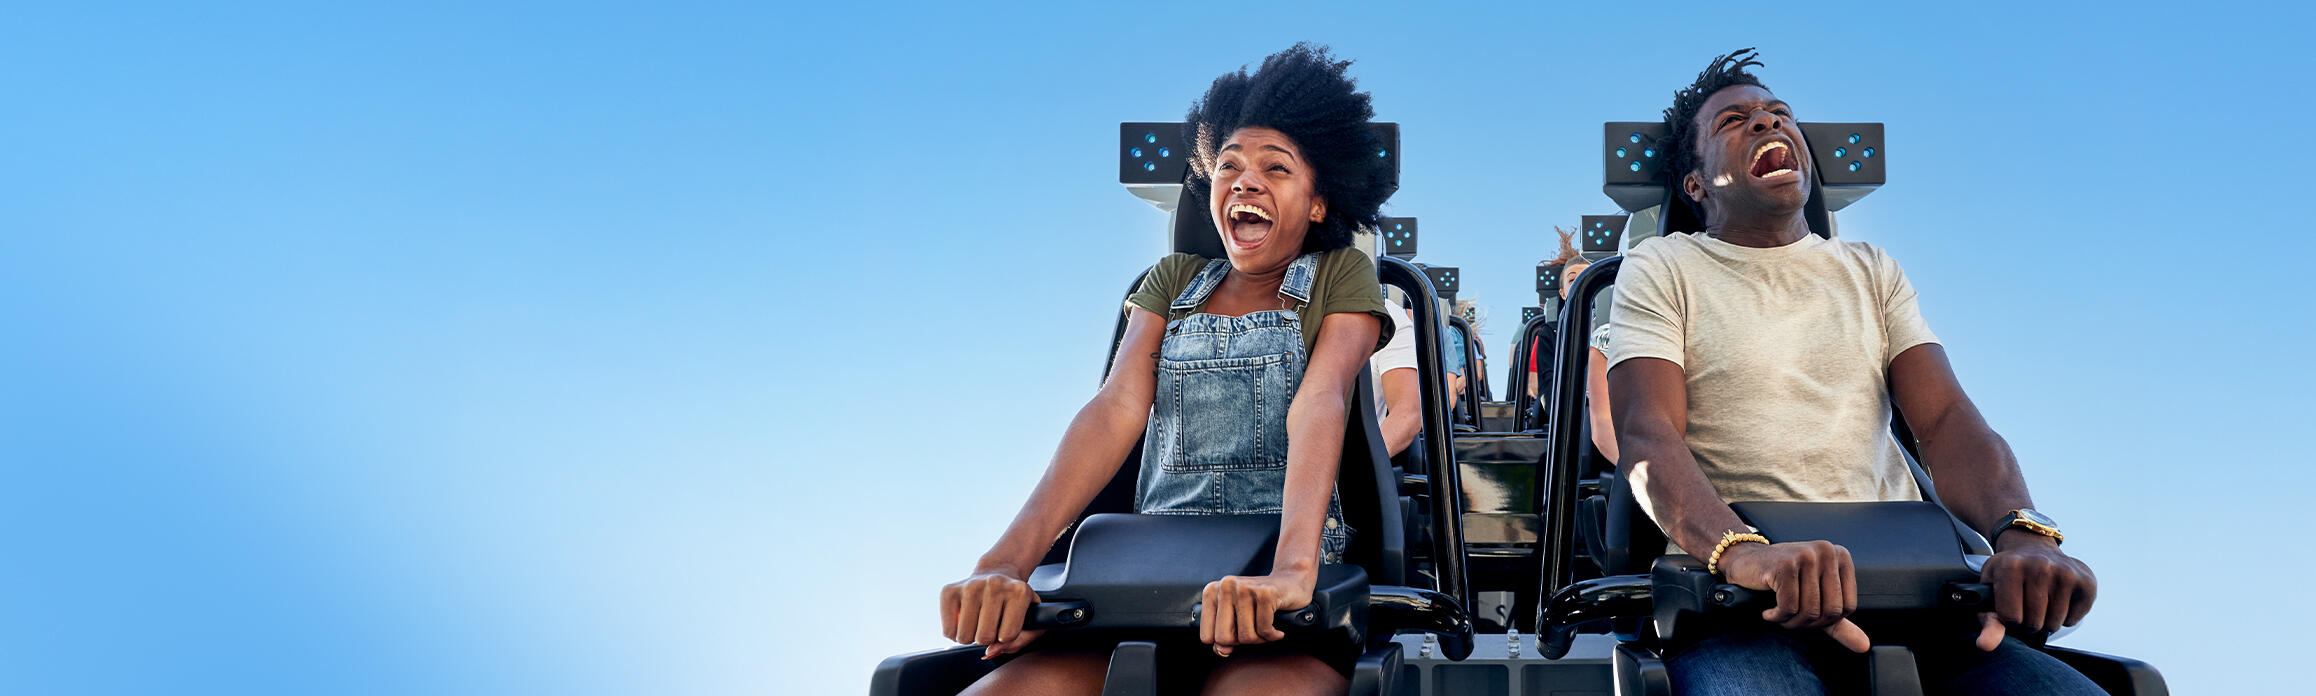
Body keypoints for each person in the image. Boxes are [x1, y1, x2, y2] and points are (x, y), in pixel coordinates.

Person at [1605, 49, 2101, 695]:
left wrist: (2023, 533)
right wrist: (1743, 552)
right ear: (1695, 185)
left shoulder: (1870, 268)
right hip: (1744, 609)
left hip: (1911, 596)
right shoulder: (1663, 265)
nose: (1767, 123)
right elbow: (1647, 433)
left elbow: (1947, 421)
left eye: (1779, 114)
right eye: (1735, 121)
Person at [938, 44, 1396, 696]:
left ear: (1319, 204)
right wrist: (1009, 562)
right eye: (1229, 166)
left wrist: (1291, 569)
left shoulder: (1339, 275)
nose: (1244, 180)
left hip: (1273, 589)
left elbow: (1319, 399)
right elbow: (1117, 406)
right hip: (1143, 577)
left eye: (1276, 167)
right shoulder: (1172, 281)